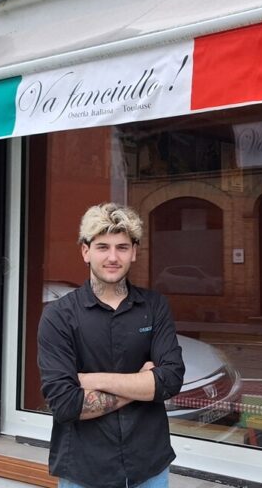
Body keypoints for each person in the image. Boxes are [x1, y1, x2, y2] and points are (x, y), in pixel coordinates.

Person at [38, 202, 185, 488]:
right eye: (103, 247)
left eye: (122, 247)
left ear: (134, 252)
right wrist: (143, 384)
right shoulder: (59, 316)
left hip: (149, 466)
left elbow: (170, 380)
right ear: (85, 251)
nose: (113, 257)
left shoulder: (154, 307)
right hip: (84, 470)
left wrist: (94, 380)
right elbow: (65, 404)